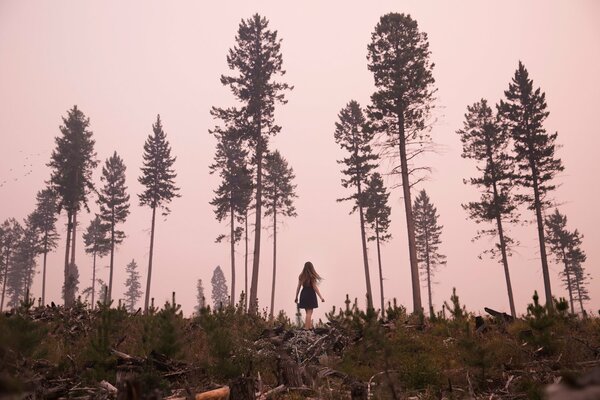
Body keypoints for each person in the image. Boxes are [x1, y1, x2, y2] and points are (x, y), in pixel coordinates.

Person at [294, 261, 324, 329]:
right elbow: (315, 287)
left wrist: (296, 297)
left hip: (303, 294)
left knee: (307, 312)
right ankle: (307, 329)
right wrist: (321, 297)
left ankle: (309, 327)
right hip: (310, 294)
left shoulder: (301, 276)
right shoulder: (311, 277)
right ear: (311, 268)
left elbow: (298, 287)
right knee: (309, 313)